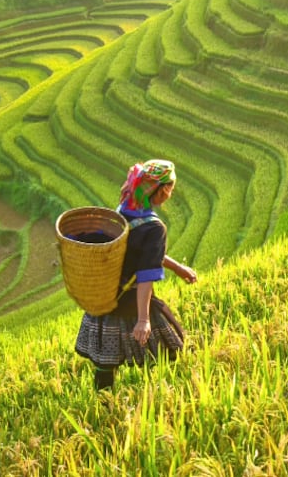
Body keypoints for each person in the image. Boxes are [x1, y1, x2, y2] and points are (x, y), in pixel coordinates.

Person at [74, 159, 197, 390]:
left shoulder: (122, 211)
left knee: (105, 360)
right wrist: (143, 319)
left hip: (105, 294)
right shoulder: (155, 228)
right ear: (160, 191)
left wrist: (179, 269)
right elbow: (146, 274)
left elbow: (144, 253)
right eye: (170, 188)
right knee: (171, 347)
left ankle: (103, 404)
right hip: (131, 298)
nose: (171, 193)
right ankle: (168, 392)